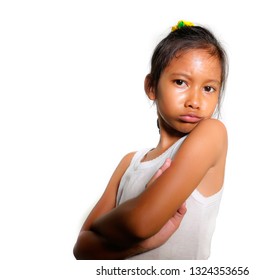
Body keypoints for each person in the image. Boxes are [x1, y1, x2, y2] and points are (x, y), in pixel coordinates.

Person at [73, 20, 228, 260]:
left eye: (209, 88)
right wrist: (139, 244)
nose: (195, 101)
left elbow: (140, 223)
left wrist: (100, 228)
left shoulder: (212, 134)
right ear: (152, 86)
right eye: (181, 82)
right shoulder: (129, 162)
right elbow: (81, 249)